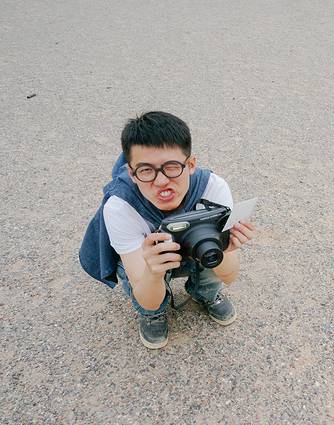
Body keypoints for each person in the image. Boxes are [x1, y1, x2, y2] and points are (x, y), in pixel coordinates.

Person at [79, 111, 255, 349]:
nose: (161, 182)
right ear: (131, 173)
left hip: (195, 252)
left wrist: (225, 249)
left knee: (211, 246)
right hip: (148, 263)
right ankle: (153, 316)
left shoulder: (213, 189)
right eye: (146, 170)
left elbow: (230, 276)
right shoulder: (120, 207)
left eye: (172, 167)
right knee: (131, 267)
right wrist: (152, 273)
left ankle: (205, 293)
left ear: (191, 164)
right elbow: (148, 299)